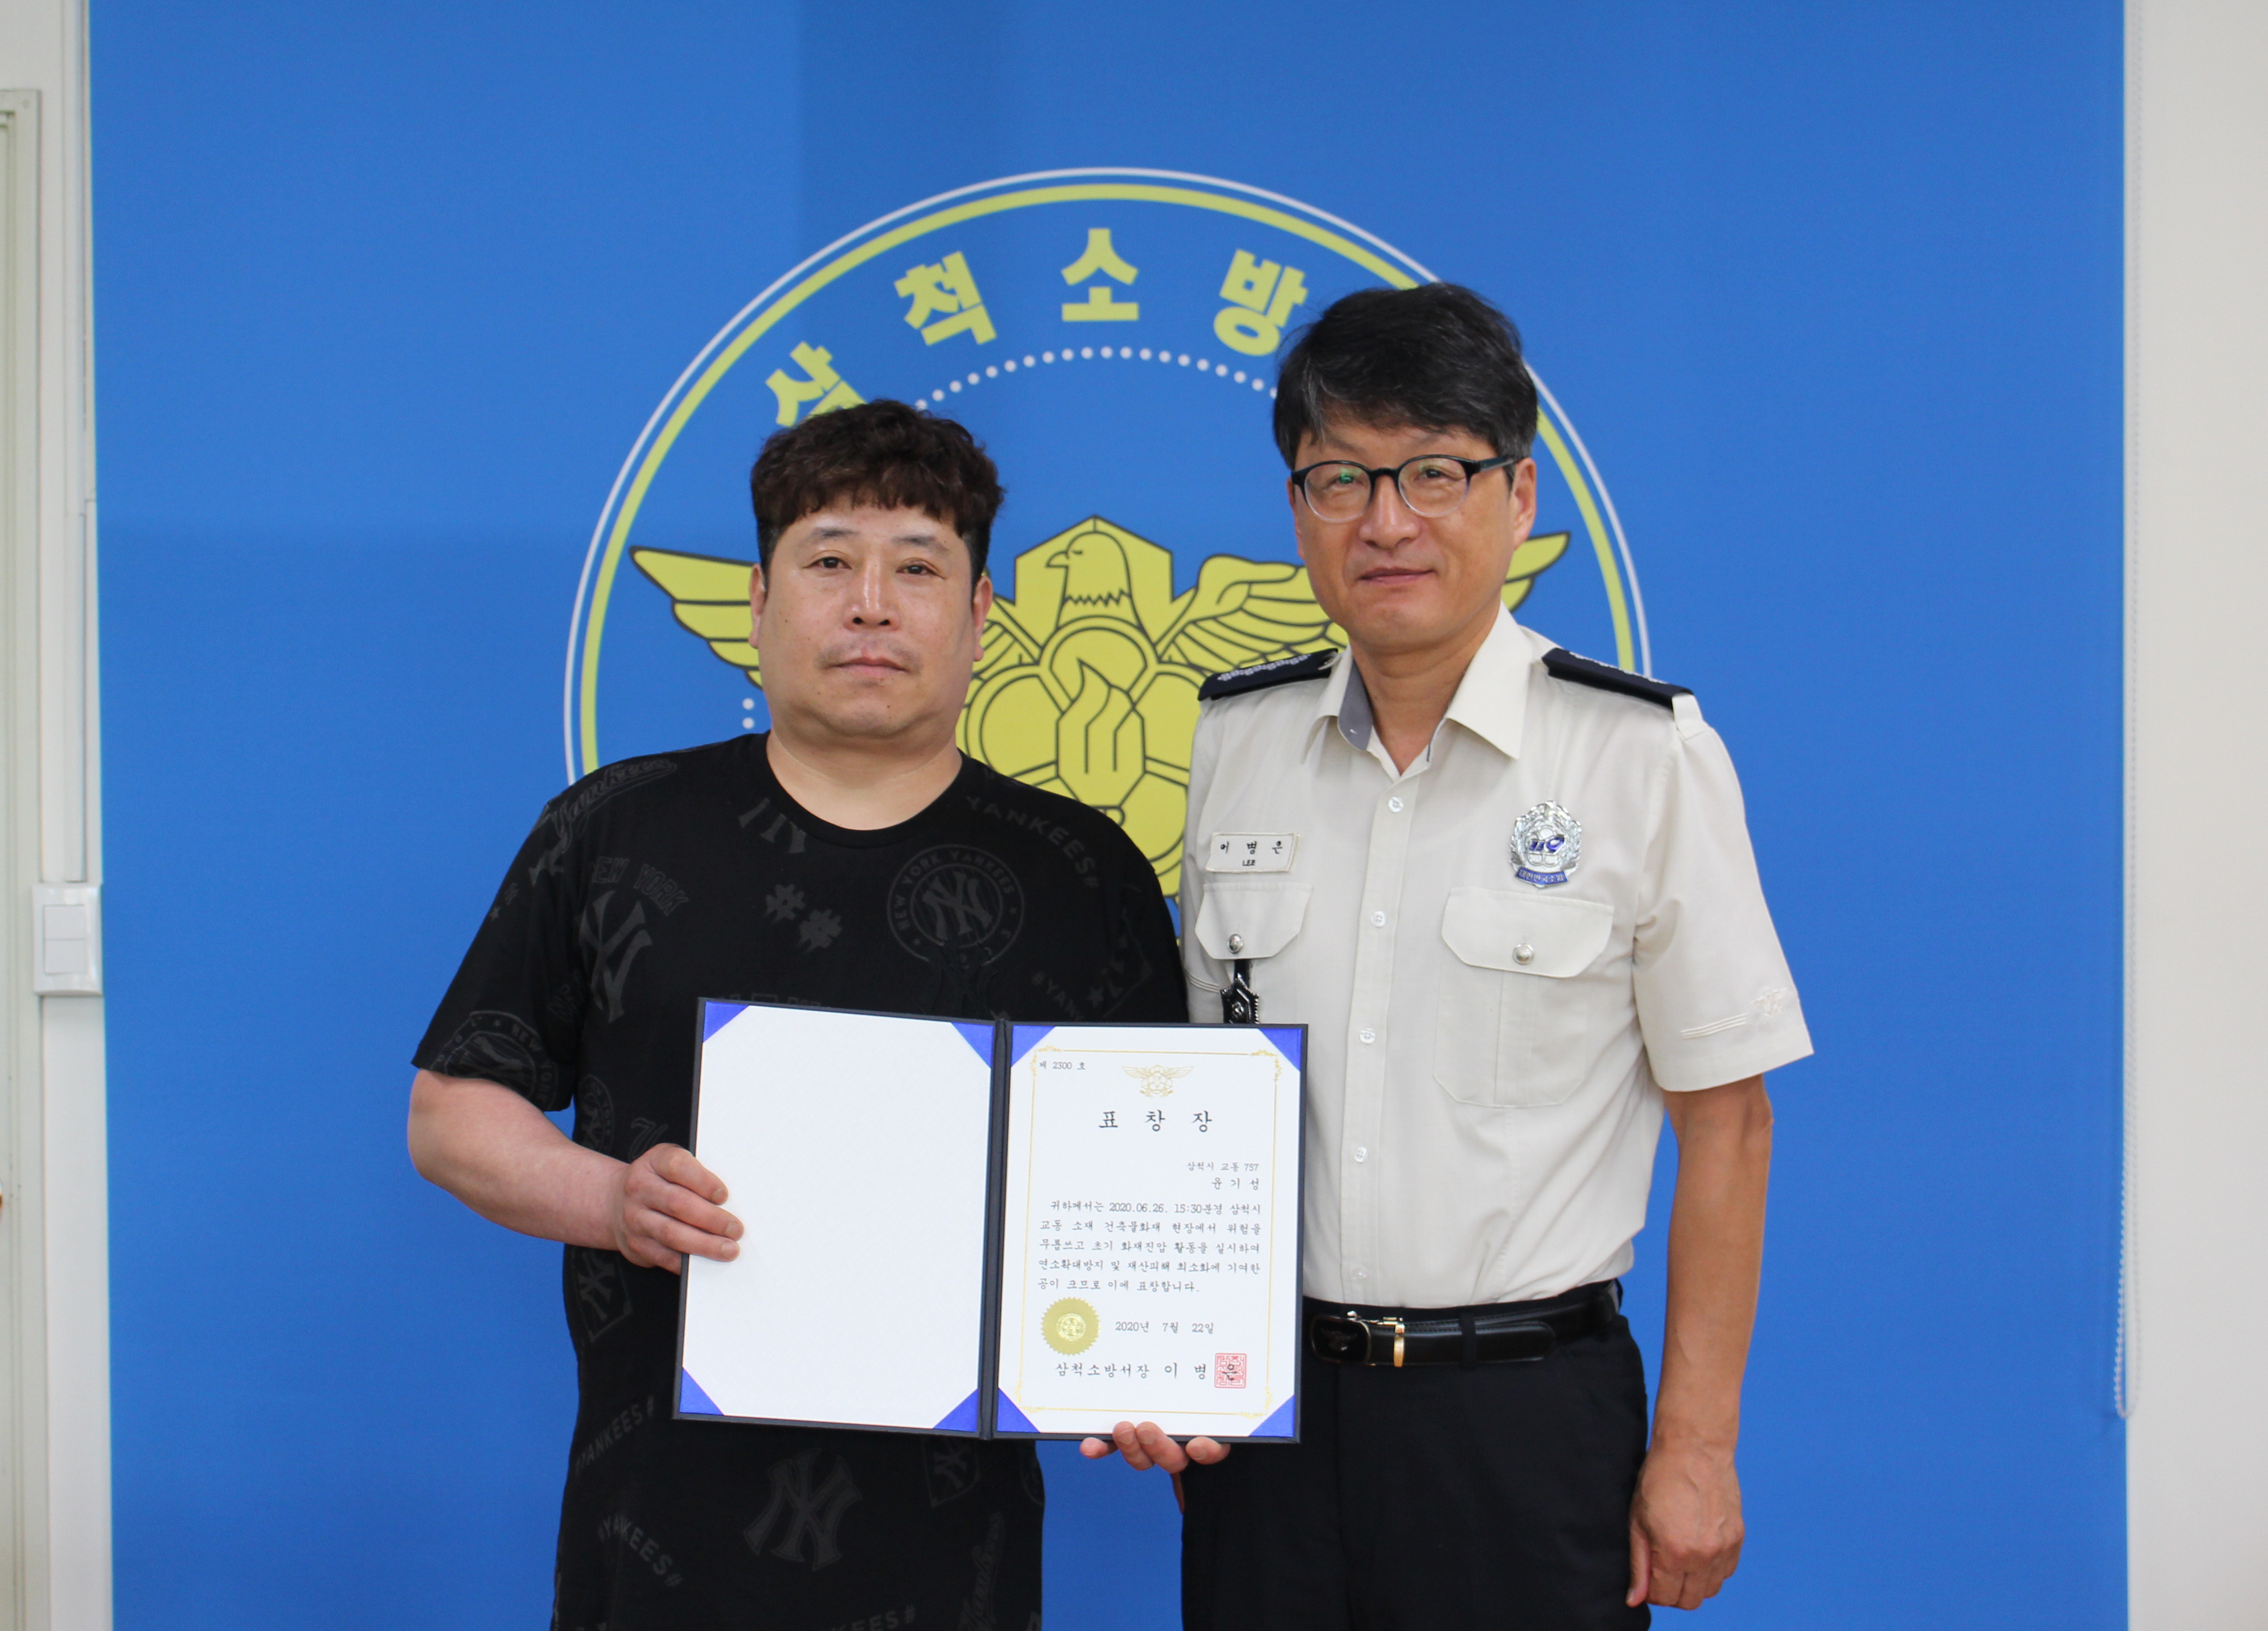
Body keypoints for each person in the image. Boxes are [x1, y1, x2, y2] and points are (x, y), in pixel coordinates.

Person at [1085, 284, 1812, 1627]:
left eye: (1434, 472)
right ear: (1296, 506)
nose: (1386, 522)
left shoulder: (1640, 755)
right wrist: (1164, 1356)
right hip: (1267, 1423)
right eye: (1340, 479)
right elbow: (1192, 1098)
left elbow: (1728, 1122)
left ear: (1517, 494)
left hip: (1521, 1420)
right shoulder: (1236, 742)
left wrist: (1697, 1446)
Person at [407, 399, 1186, 1631]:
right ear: (759, 600)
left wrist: (1158, 1355)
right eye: (829, 562)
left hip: (956, 1556)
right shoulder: (613, 830)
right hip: (655, 1527)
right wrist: (611, 1201)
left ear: (980, 613)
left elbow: (1159, 1174)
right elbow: (452, 1112)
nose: (870, 604)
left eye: (917, 567)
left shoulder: (1081, 870)